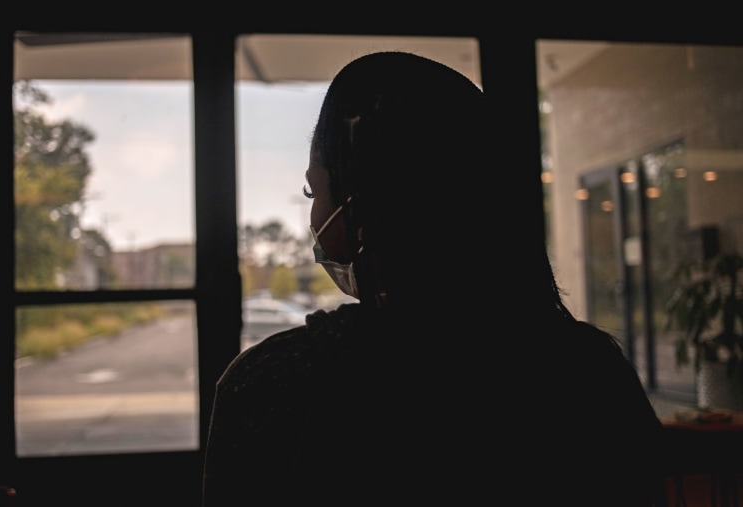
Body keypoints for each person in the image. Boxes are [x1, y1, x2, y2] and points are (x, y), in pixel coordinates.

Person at [202, 51, 666, 505]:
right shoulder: (590, 374)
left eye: (313, 190)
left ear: (363, 206)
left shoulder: (273, 385)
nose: (313, 215)